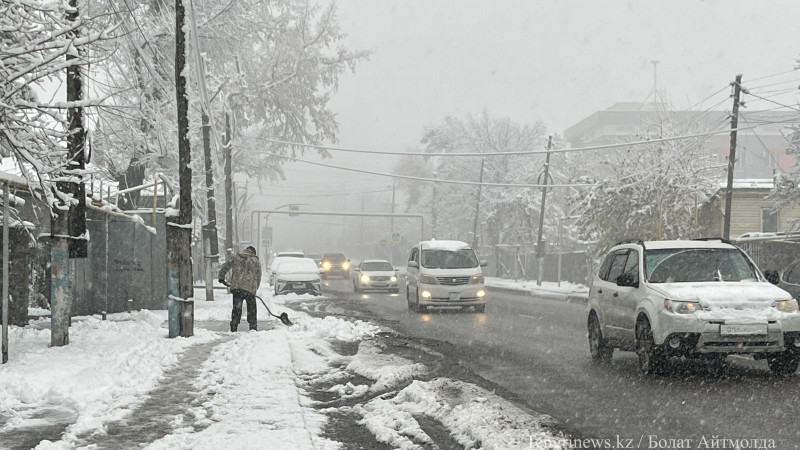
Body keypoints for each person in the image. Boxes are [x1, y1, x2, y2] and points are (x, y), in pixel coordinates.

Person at [218, 246, 262, 332]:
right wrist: (255, 288)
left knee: (236, 308)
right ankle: (253, 327)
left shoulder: (236, 257)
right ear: (253, 253)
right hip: (249, 289)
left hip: (237, 288)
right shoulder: (255, 261)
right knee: (251, 309)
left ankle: (234, 327)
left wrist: (221, 277)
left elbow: (226, 266)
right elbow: (258, 276)